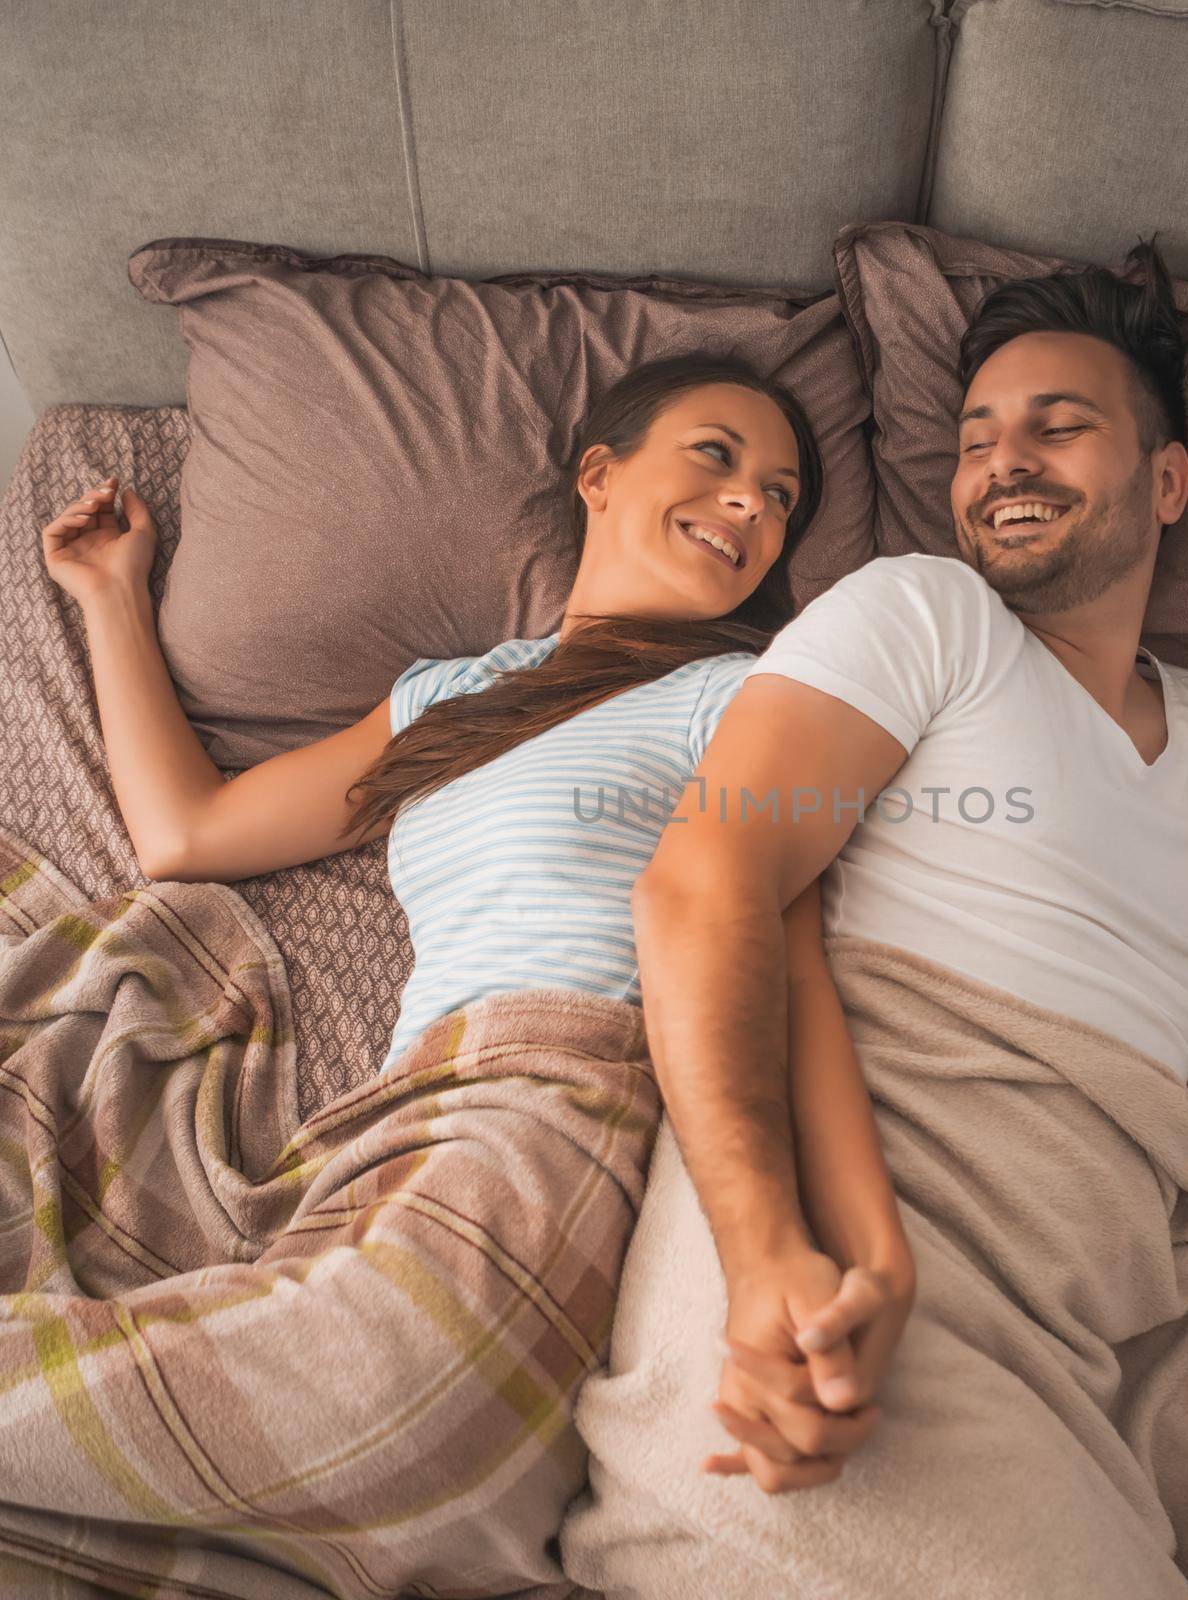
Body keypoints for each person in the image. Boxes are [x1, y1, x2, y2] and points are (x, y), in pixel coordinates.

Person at [625, 238, 1188, 1486]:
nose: (1004, 465)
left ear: (1166, 481)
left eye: (1058, 428)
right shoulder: (925, 613)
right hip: (853, 1206)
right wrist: (767, 1249)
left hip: (1076, 1268)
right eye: (979, 438)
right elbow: (703, 880)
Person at [37, 350, 915, 1493]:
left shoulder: (753, 693)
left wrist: (866, 1253)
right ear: (599, 474)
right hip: (393, 1120)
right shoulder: (451, 696)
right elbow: (189, 833)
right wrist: (110, 593)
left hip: (573, 1092)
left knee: (351, 1413)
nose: (755, 502)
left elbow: (789, 957)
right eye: (716, 455)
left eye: (784, 495)